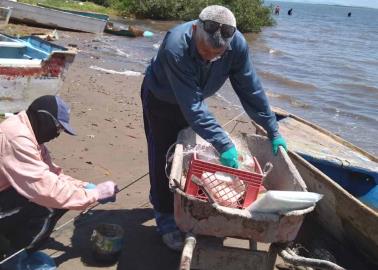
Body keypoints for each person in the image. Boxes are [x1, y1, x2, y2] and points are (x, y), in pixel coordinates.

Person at [141, 5, 287, 251]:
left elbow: (250, 89)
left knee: (187, 157)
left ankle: (184, 206)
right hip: (162, 100)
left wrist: (272, 128)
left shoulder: (236, 45)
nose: (209, 56)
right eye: (205, 50)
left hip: (192, 101)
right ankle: (164, 216)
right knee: (162, 156)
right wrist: (224, 144)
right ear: (195, 29)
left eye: (217, 53)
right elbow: (193, 106)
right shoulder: (176, 45)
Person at [0, 95, 118, 265]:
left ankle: (13, 239)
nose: (57, 134)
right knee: (49, 203)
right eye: (58, 128)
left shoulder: (30, 135)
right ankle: (15, 256)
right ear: (42, 117)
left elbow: (53, 175)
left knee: (58, 197)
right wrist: (93, 195)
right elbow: (46, 189)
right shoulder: (17, 138)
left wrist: (87, 187)